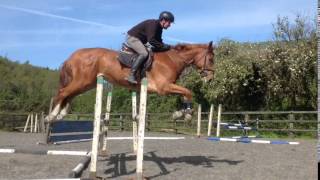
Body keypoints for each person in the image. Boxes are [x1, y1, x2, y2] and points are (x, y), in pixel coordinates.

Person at [125, 11, 174, 84]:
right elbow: (151, 40)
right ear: (163, 20)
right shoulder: (153, 24)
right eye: (169, 22)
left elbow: (159, 42)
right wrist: (164, 46)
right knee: (144, 53)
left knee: (152, 52)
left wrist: (167, 48)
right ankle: (131, 75)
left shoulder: (159, 28)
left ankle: (142, 73)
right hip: (133, 38)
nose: (170, 25)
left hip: (140, 41)